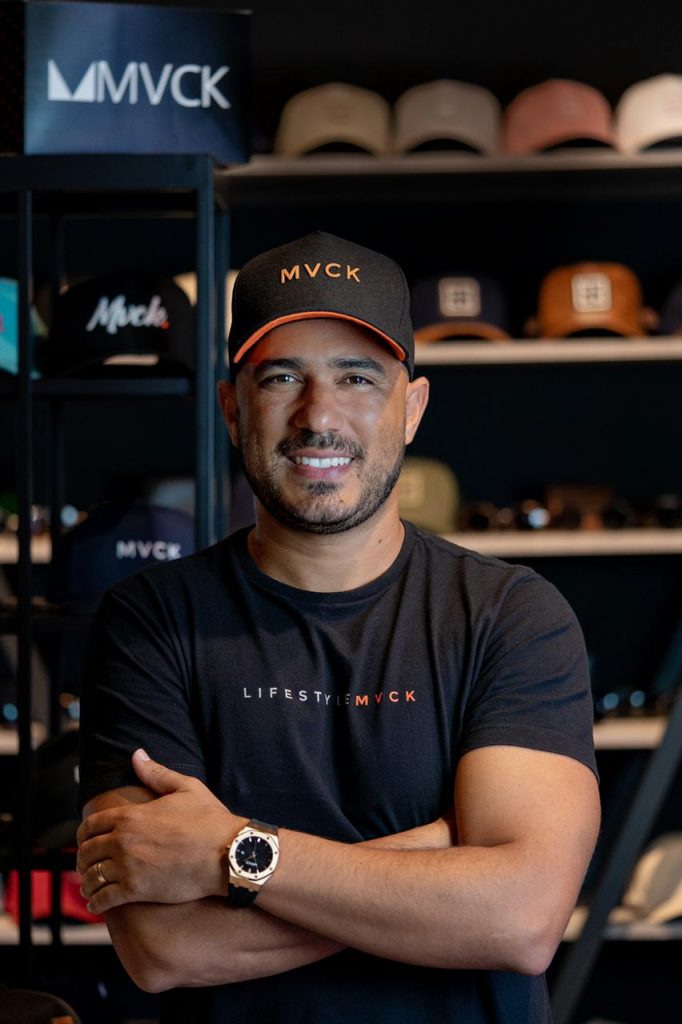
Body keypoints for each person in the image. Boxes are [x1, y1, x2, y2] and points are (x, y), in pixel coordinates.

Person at [77, 230, 600, 1024]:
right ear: (232, 408)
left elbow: (520, 919)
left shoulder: (511, 615)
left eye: (357, 377)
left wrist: (229, 851)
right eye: (281, 377)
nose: (318, 415)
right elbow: (164, 948)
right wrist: (437, 855)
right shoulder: (150, 623)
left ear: (412, 408)